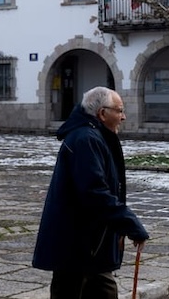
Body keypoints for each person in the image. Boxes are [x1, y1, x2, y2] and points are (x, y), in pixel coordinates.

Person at [32, 86, 150, 298]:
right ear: (102, 113)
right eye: (120, 110)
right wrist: (130, 224)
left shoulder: (94, 136)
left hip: (92, 244)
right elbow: (95, 193)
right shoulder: (86, 139)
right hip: (78, 245)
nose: (123, 117)